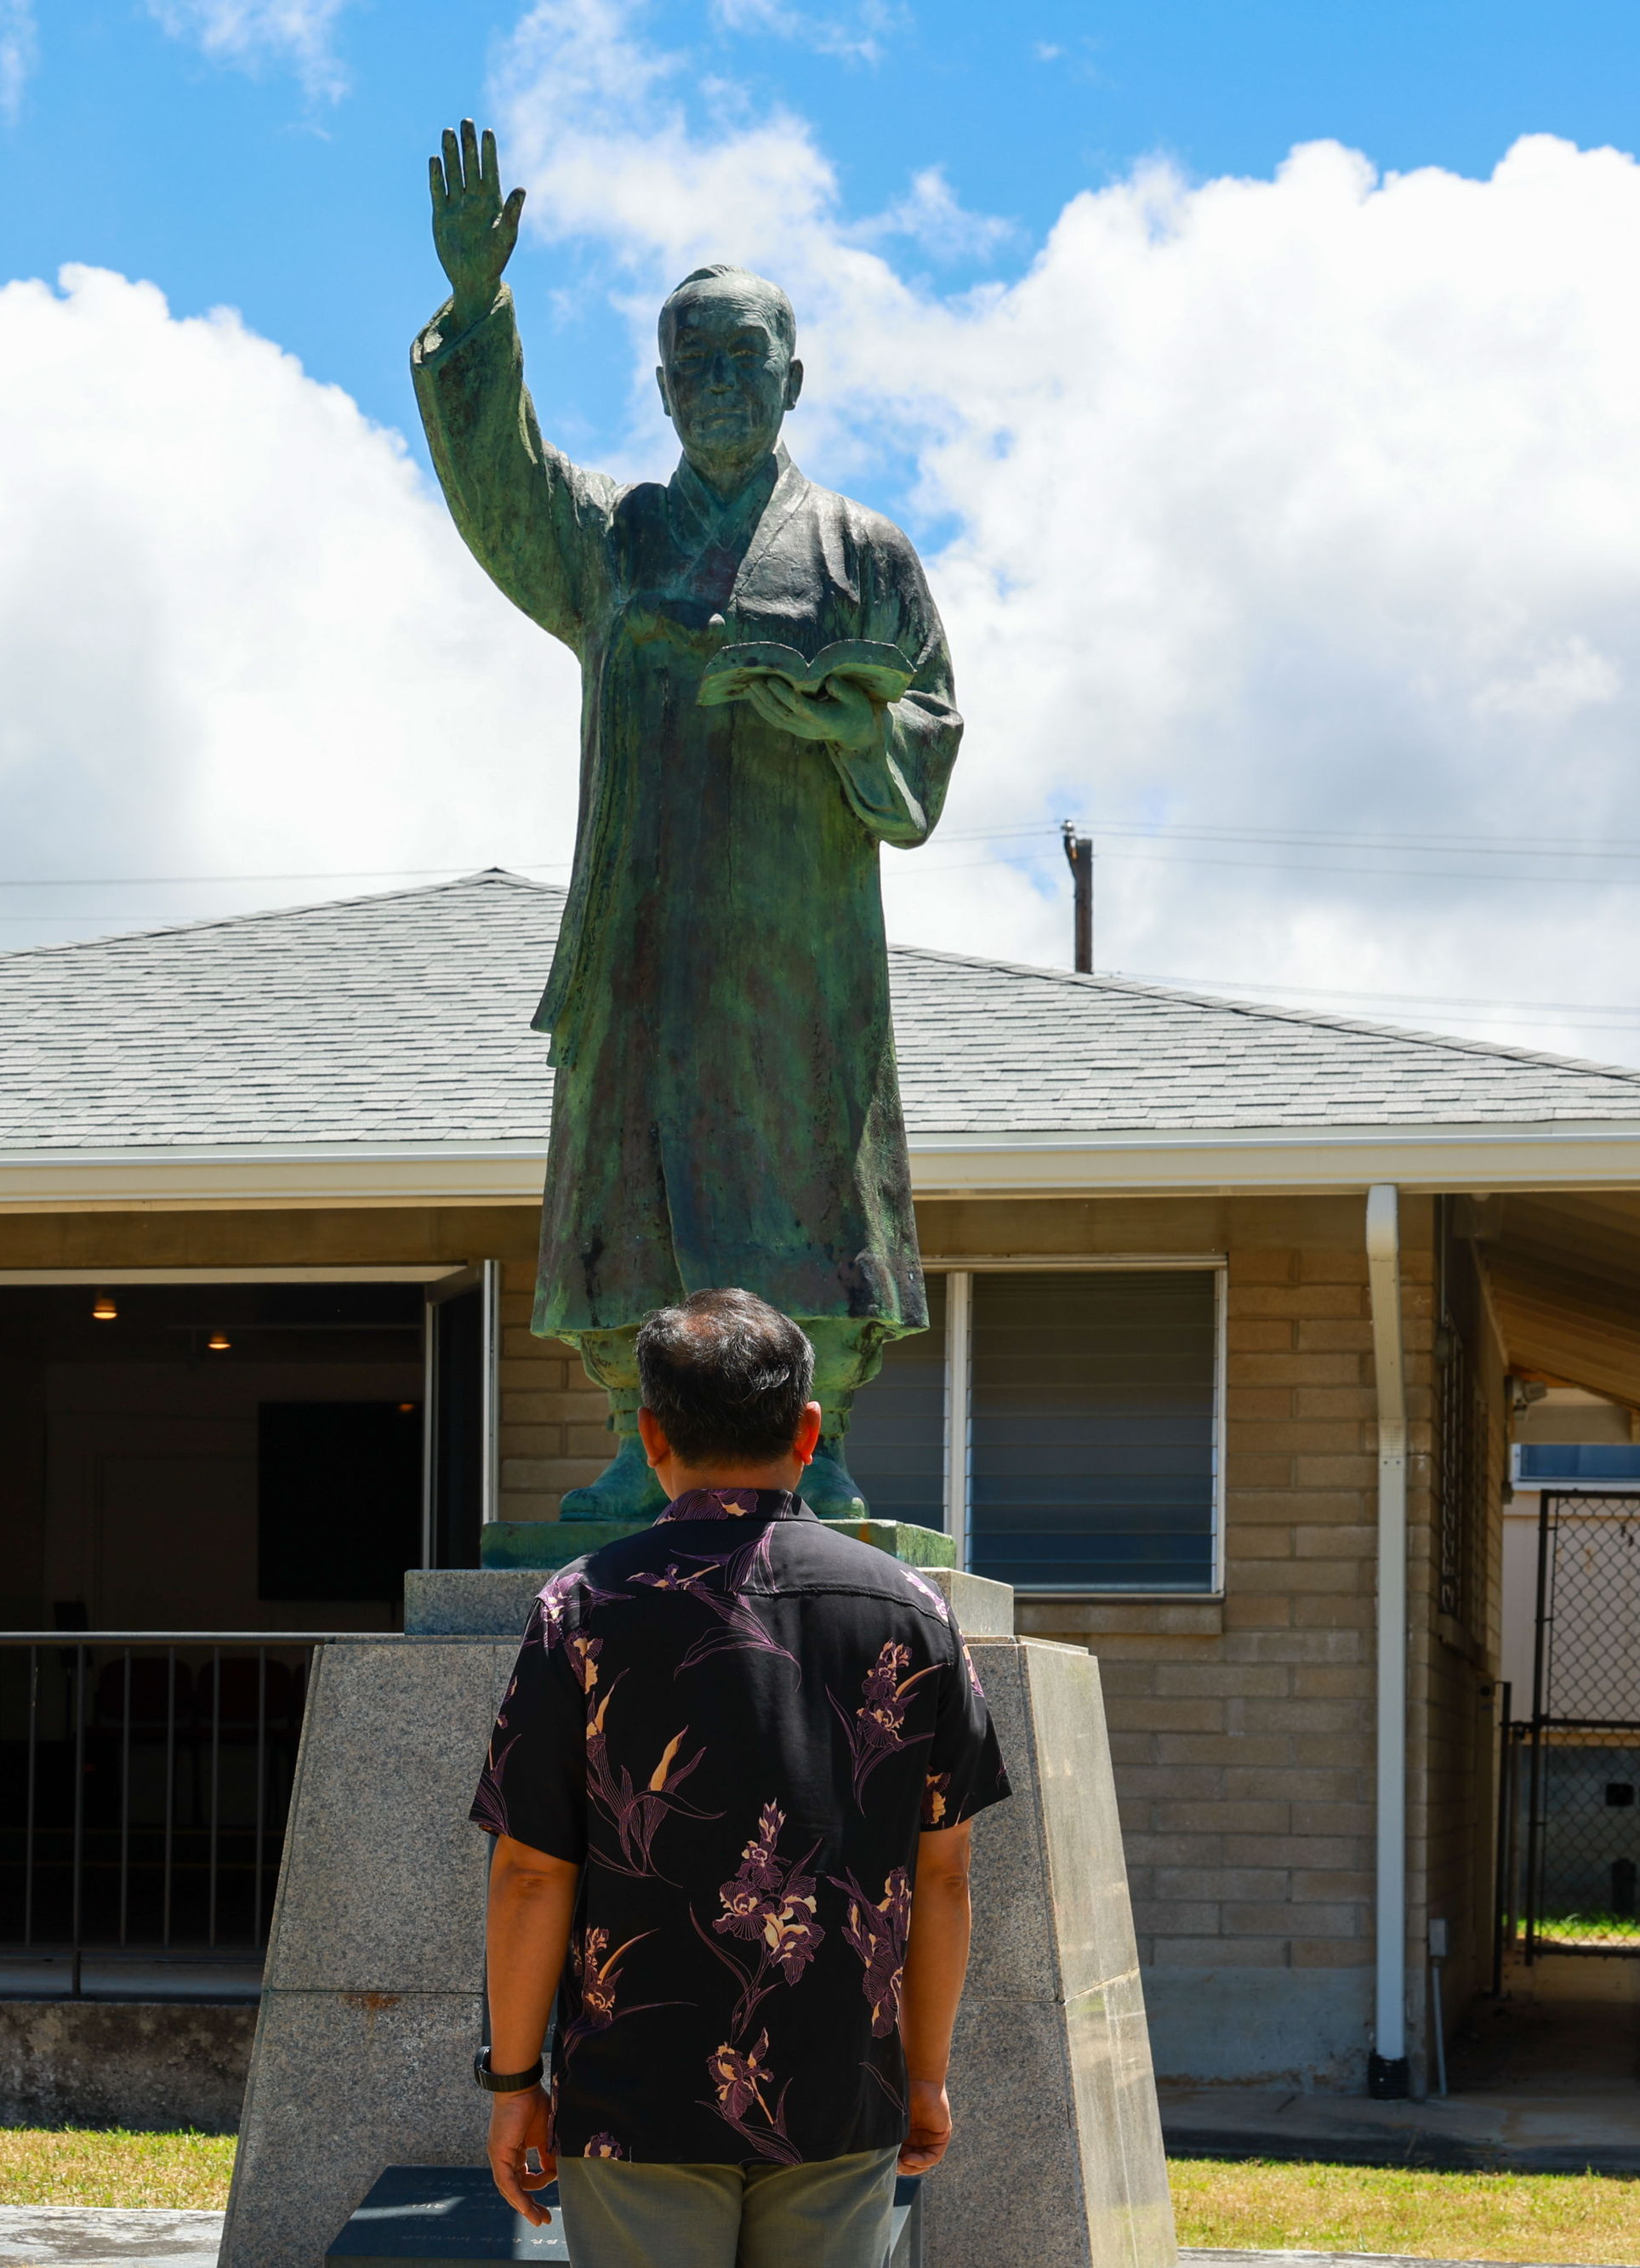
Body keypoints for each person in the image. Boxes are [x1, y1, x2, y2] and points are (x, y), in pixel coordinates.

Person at [414, 118, 964, 1527]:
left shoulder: (859, 556)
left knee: (799, 1189)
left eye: (746, 359)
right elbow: (506, 488)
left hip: (795, 965)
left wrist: (836, 715)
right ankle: (636, 1439)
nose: (720, 384)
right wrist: (481, 311)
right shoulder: (620, 541)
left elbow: (928, 737)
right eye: (694, 363)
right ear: (661, 388)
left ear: (796, 377)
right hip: (643, 946)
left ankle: (810, 1442)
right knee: (629, 1190)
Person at [470, 1289, 1010, 2268]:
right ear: (809, 1431)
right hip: (840, 2085)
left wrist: (513, 2082)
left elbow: (531, 1873)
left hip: (636, 2095)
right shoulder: (911, 1609)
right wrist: (922, 2074)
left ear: (649, 1434)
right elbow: (942, 1876)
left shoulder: (581, 1606)